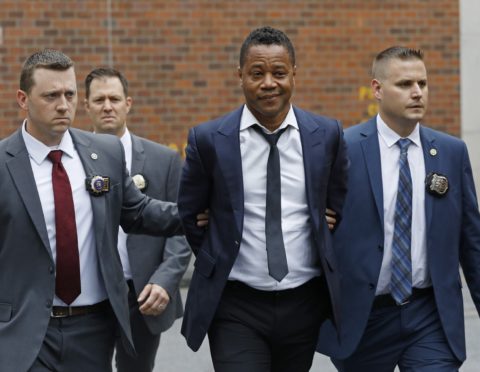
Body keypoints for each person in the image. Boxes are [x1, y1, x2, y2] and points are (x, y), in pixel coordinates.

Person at [178, 26, 348, 372]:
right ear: (240, 75)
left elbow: (338, 201)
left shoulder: (326, 134)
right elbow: (190, 212)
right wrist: (220, 241)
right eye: (257, 73)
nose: (268, 82)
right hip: (236, 303)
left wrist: (323, 224)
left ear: (294, 75)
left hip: (303, 300)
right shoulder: (209, 140)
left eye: (279, 73)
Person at [0, 49, 182, 372]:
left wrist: (199, 212)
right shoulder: (3, 164)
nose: (63, 104)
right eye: (51, 95)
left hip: (92, 330)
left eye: (69, 94)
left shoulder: (105, 153)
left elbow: (139, 213)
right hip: (24, 331)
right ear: (23, 99)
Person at [317, 46, 480, 371]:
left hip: (429, 315)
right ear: (377, 89)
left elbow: (472, 241)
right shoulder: (343, 150)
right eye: (404, 84)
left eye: (422, 84)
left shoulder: (450, 152)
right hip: (364, 318)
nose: (417, 93)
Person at [84, 67, 191, 372]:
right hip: (91, 291)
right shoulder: (72, 159)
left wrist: (165, 280)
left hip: (143, 292)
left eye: (114, 99)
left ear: (128, 103)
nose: (107, 106)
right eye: (99, 99)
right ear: (87, 106)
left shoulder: (164, 160)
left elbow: (181, 229)